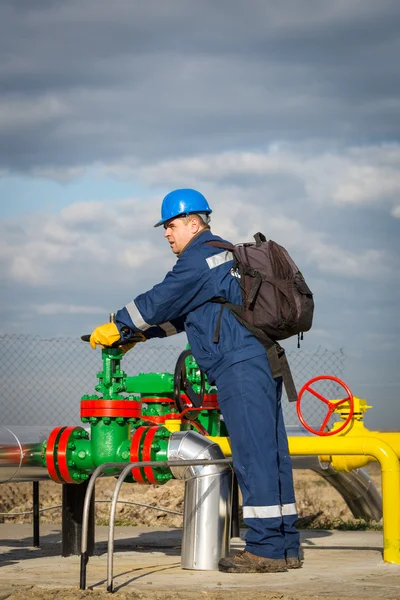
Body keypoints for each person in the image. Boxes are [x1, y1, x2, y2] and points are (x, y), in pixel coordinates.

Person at [90, 188, 301, 573]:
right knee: (271, 452)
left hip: (240, 365)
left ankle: (266, 550)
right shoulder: (220, 259)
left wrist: (118, 324)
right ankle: (286, 545)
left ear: (194, 222)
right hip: (258, 359)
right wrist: (138, 335)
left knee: (254, 455)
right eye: (165, 228)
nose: (167, 234)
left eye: (171, 225)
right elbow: (184, 315)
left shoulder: (200, 256)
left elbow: (161, 300)